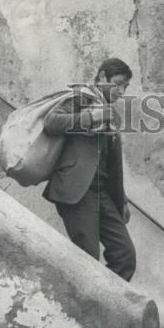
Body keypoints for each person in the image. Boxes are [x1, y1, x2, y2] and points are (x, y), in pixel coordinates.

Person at [42, 58, 136, 281]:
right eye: (118, 84)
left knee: (125, 255)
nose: (121, 91)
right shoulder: (81, 97)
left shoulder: (111, 115)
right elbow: (51, 122)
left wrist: (121, 201)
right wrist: (89, 117)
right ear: (103, 77)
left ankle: (105, 306)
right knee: (88, 260)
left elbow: (113, 166)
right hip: (76, 192)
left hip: (103, 195)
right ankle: (88, 312)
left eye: (126, 87)